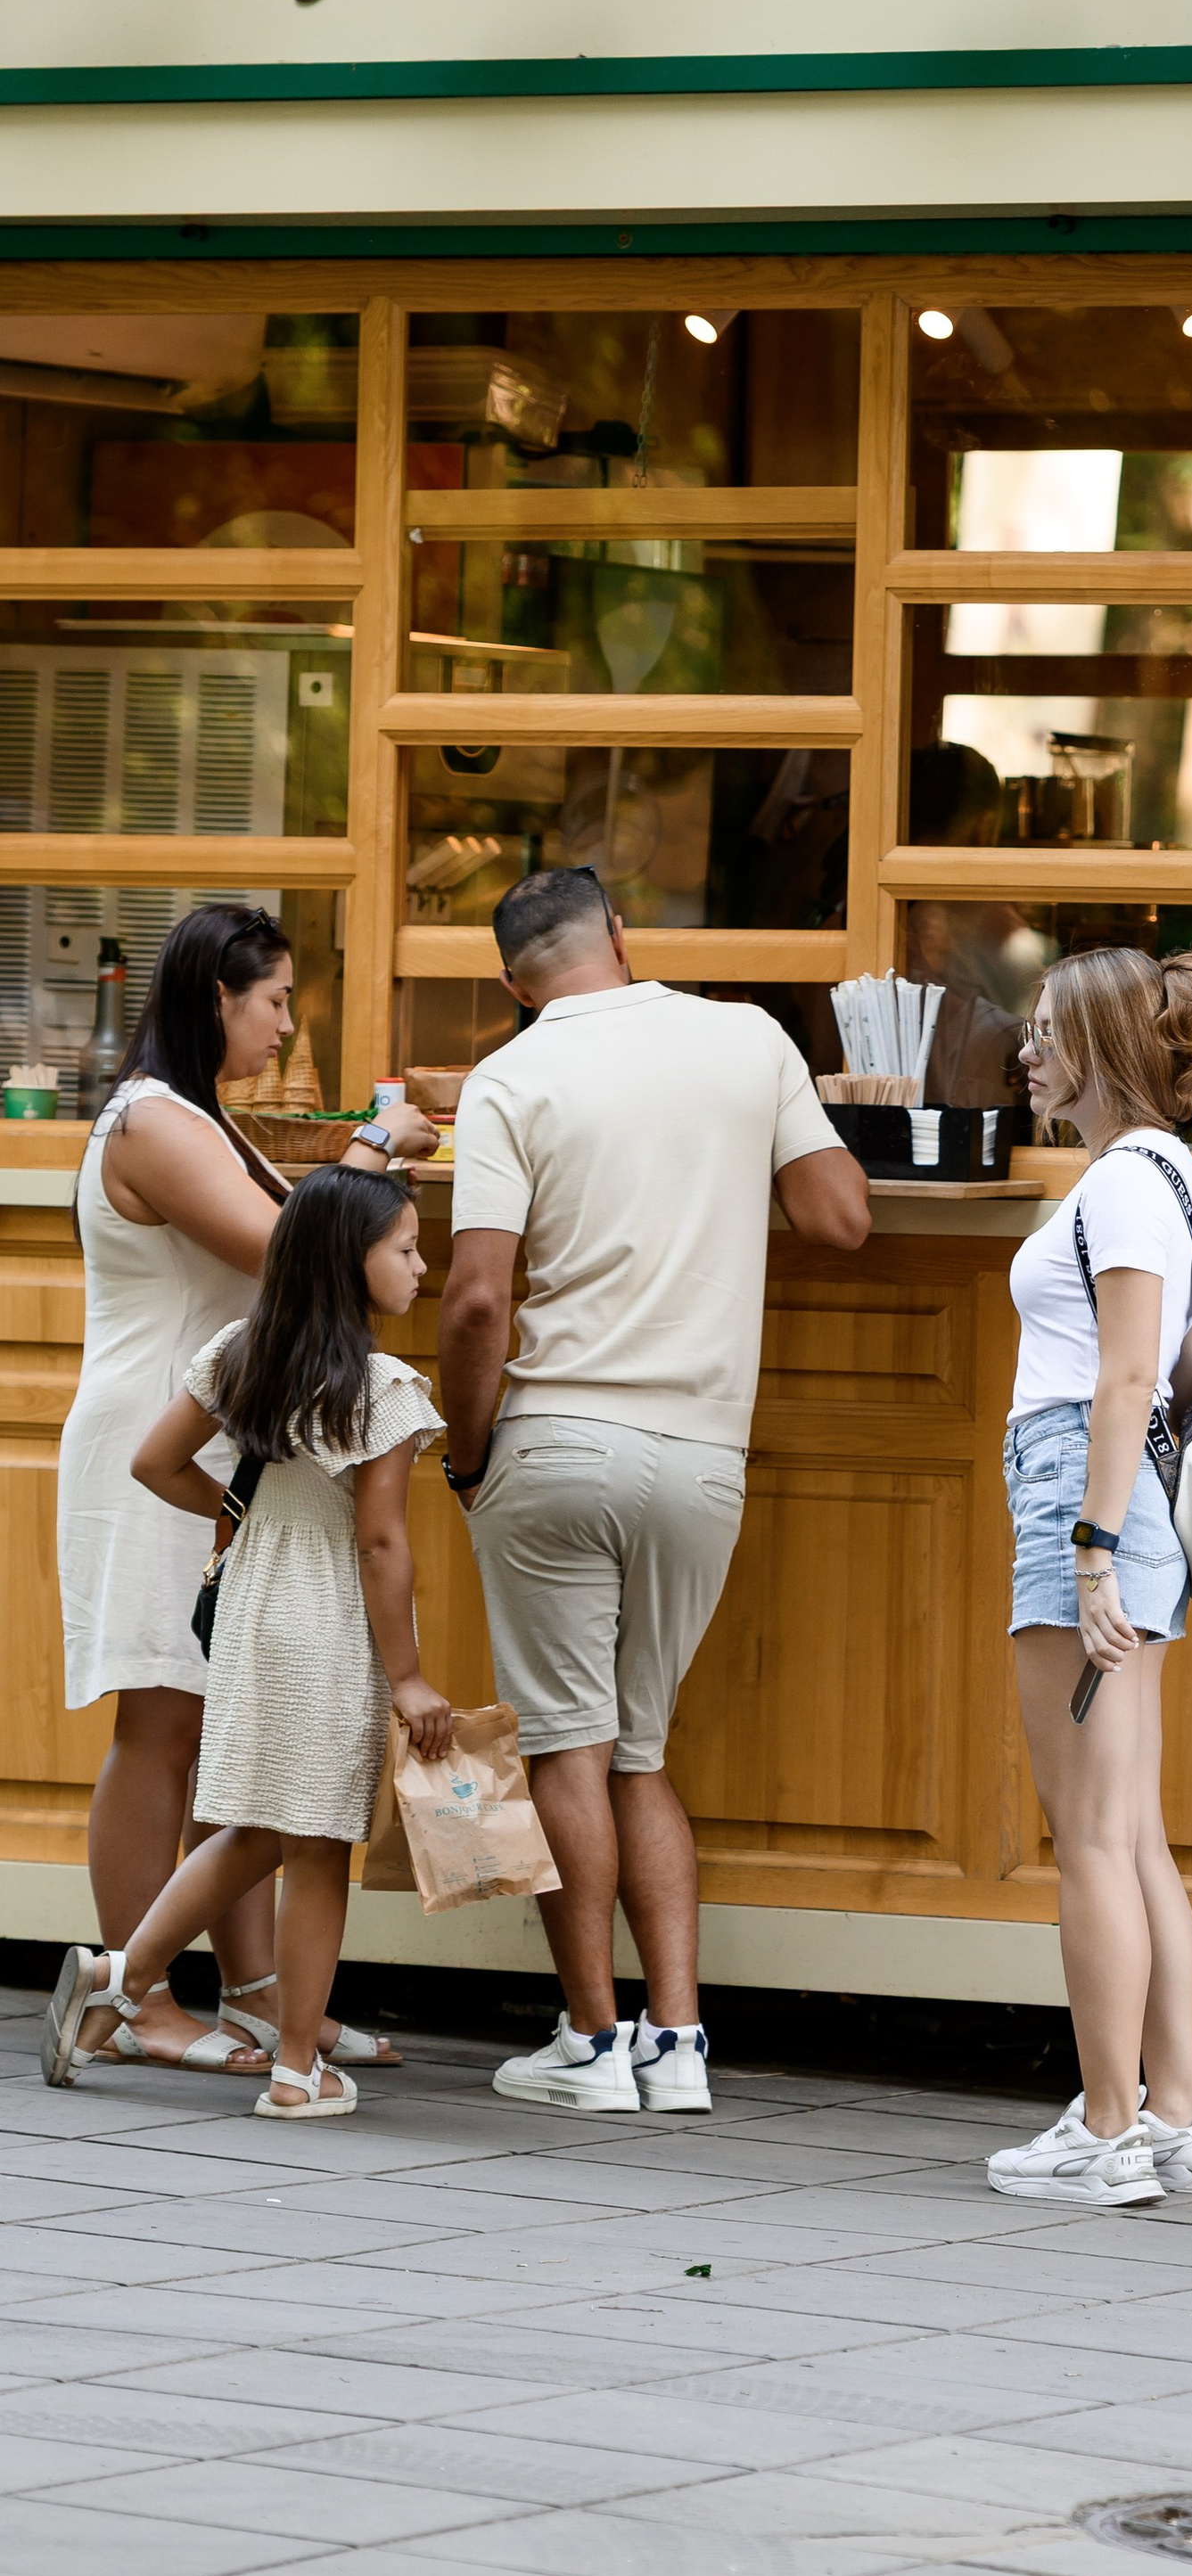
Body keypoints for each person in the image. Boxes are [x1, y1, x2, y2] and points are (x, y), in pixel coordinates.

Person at [435, 866, 871, 2117]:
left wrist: (469, 1451)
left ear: (512, 983)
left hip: (560, 1439)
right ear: (622, 937)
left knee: (565, 1749)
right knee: (639, 1749)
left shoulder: (511, 1078)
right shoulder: (746, 1038)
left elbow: (474, 1298)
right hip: (702, 1457)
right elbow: (839, 1218)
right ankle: (678, 2048)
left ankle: (590, 2045)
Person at [53, 903, 432, 2074]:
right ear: (217, 996)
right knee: (162, 1721)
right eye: (273, 1001)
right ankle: (131, 1998)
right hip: (155, 1444)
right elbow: (291, 1253)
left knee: (229, 1725)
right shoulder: (156, 1123)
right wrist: (375, 1151)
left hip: (222, 1444)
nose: (284, 1025)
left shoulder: (203, 1115)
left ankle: (268, 1999)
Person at [45, 1170, 453, 2118]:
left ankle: (121, 1973)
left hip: (254, 1610)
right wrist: (410, 1679)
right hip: (329, 1619)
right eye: (404, 1247)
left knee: (258, 1825)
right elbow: (381, 1542)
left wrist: (240, 1509)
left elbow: (154, 1461)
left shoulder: (240, 1353)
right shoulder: (381, 1390)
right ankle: (297, 2068)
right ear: (352, 1261)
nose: (419, 1263)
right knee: (316, 1843)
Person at [984, 942, 1192, 2207]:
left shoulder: (1127, 1185)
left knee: (1088, 1837)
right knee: (1131, 1834)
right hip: (1124, 1502)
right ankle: (1181, 2119)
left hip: (1085, 1497)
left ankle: (1106, 2131)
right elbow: (1191, 1369)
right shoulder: (1171, 1181)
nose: (1027, 1051)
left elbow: (1133, 1376)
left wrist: (1091, 1549)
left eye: (1045, 1031)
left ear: (1098, 1048)